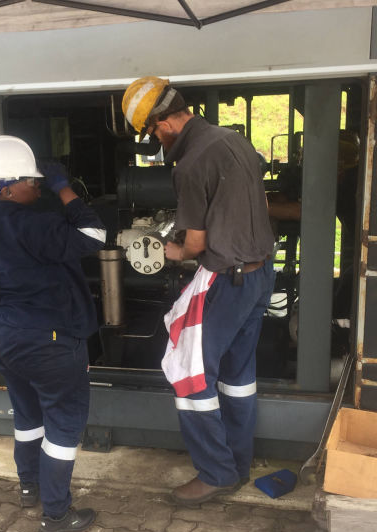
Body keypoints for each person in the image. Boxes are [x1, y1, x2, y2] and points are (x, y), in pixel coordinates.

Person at [122, 77, 276, 505]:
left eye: (153, 133)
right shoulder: (235, 140)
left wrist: (171, 251)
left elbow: (195, 243)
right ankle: (238, 465)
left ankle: (216, 473)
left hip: (227, 281)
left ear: (163, 123)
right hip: (260, 274)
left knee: (187, 374)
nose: (157, 141)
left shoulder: (191, 164)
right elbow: (259, 205)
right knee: (237, 376)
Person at [0, 135, 106, 532]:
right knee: (64, 421)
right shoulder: (35, 223)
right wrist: (64, 189)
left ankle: (29, 486)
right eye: (31, 180)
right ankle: (56, 516)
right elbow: (95, 236)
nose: (37, 186)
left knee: (27, 413)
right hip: (44, 338)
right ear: (6, 187)